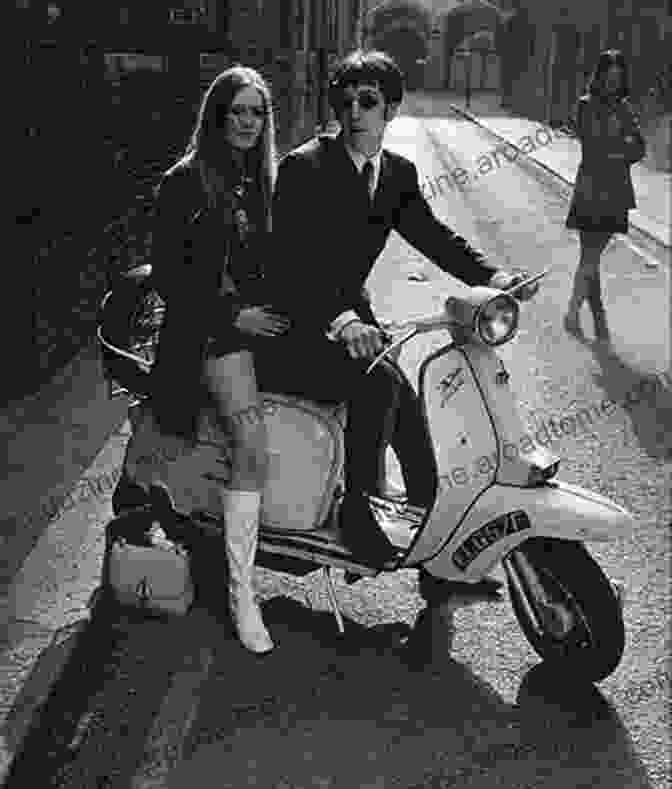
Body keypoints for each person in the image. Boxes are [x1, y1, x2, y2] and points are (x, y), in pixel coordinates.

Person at [258, 50, 537, 563]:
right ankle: (361, 523)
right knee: (379, 383)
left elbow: (435, 237)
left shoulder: (396, 174)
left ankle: (438, 538)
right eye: (345, 101)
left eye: (368, 101)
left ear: (390, 110)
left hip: (348, 324)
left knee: (407, 402)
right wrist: (341, 322)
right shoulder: (305, 168)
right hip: (290, 327)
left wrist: (495, 277)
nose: (354, 111)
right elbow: (290, 266)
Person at [149, 67, 290, 654]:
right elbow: (169, 278)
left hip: (252, 324)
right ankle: (242, 595)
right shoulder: (185, 182)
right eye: (237, 111)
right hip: (207, 333)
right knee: (253, 447)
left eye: (257, 113)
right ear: (216, 116)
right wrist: (234, 317)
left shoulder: (260, 182)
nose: (248, 123)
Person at [564, 49, 646, 343]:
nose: (613, 83)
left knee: (591, 257)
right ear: (600, 77)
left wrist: (617, 148)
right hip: (591, 189)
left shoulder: (625, 108)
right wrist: (619, 146)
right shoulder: (586, 105)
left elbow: (639, 148)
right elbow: (593, 146)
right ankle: (584, 314)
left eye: (618, 78)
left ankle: (583, 314)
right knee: (590, 256)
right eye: (609, 77)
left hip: (616, 193)